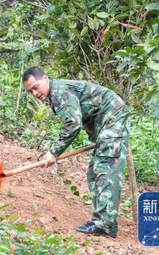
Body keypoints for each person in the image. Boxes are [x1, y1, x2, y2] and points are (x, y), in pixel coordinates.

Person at [22, 67, 130, 238]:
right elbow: (88, 112)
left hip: (113, 118)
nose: (35, 93)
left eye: (36, 87)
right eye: (30, 91)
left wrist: (53, 152)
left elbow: (73, 124)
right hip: (106, 122)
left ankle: (106, 225)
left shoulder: (60, 92)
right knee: (94, 172)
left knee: (105, 169)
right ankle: (100, 221)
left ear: (46, 78)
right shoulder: (55, 94)